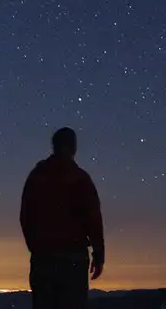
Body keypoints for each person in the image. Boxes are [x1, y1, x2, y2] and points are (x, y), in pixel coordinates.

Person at [20, 127, 105, 309]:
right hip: (72, 261)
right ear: (73, 147)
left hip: (43, 260)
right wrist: (99, 254)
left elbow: (25, 216)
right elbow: (93, 218)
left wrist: (36, 247)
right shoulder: (80, 179)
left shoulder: (37, 177)